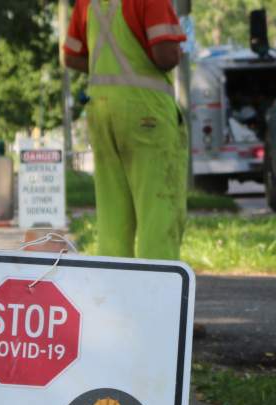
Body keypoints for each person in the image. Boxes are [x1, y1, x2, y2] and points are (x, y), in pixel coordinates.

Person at [62, 0, 187, 260]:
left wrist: (109, 68)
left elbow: (71, 56)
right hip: (145, 111)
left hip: (101, 110)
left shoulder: (88, 2)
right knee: (158, 208)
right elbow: (166, 56)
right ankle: (157, 290)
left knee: (112, 213)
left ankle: (114, 293)